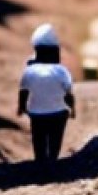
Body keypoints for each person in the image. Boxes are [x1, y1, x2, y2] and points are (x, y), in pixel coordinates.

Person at [17, 23, 75, 163]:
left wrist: (22, 107)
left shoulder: (29, 71)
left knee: (39, 138)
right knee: (55, 137)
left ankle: (40, 162)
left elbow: (23, 92)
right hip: (58, 113)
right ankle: (53, 161)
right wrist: (73, 109)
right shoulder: (62, 71)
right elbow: (68, 94)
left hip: (37, 113)